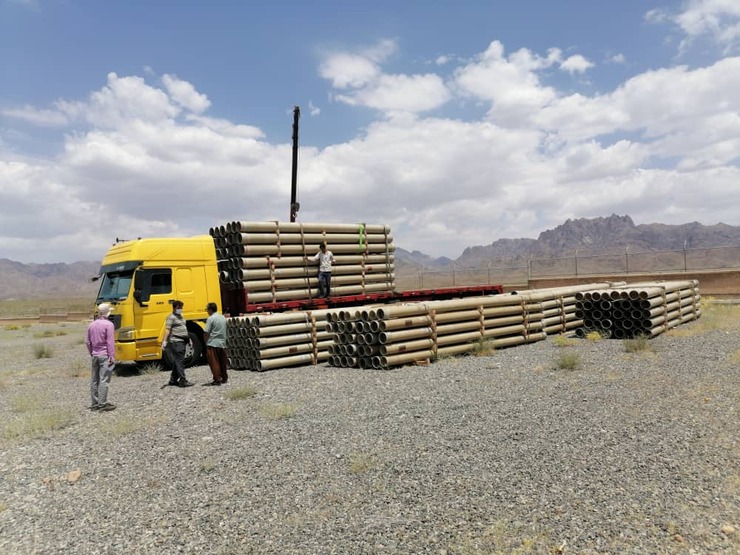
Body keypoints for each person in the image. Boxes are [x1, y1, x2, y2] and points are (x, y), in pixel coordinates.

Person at [85, 303, 116, 411]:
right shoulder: (109, 325)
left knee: (94, 380)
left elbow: (87, 342)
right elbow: (110, 342)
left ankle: (95, 403)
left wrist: (92, 353)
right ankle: (102, 404)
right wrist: (112, 356)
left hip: (95, 355)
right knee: (104, 380)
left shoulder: (91, 325)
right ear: (108, 312)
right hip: (105, 355)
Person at [162, 300, 195, 387]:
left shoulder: (181, 316)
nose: (180, 309)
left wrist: (189, 339)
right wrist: (164, 341)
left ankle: (173, 380)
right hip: (176, 341)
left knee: (178, 360)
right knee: (180, 361)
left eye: (181, 308)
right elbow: (167, 329)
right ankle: (183, 380)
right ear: (173, 308)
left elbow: (184, 328)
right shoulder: (171, 317)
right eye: (178, 308)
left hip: (183, 340)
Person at [203, 302, 229, 386]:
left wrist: (206, 342)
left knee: (214, 362)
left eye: (207, 309)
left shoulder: (210, 319)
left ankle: (217, 379)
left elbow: (206, 332)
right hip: (222, 343)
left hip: (213, 343)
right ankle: (224, 378)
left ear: (210, 310)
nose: (207, 311)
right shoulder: (223, 317)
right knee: (222, 362)